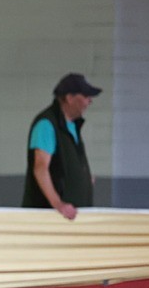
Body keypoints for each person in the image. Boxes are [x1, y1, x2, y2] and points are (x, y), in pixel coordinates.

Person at [21, 73, 100, 220]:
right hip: (52, 219)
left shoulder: (71, 126)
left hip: (71, 218)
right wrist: (59, 204)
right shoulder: (46, 124)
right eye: (86, 96)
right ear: (70, 98)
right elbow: (40, 168)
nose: (90, 101)